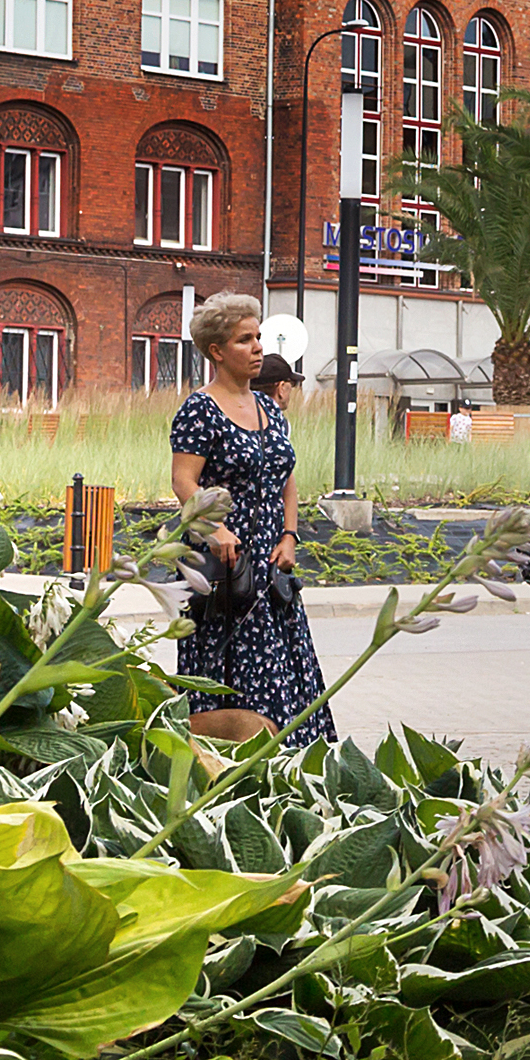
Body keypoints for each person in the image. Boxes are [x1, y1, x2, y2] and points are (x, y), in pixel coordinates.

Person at [167, 294, 329, 747]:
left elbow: (287, 479)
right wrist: (214, 528)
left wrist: (291, 535)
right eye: (245, 339)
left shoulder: (269, 409)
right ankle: (236, 764)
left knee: (287, 669)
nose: (258, 347)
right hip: (225, 570)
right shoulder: (200, 409)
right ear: (217, 351)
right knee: (238, 674)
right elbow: (183, 481)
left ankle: (295, 771)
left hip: (272, 566)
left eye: (257, 337)